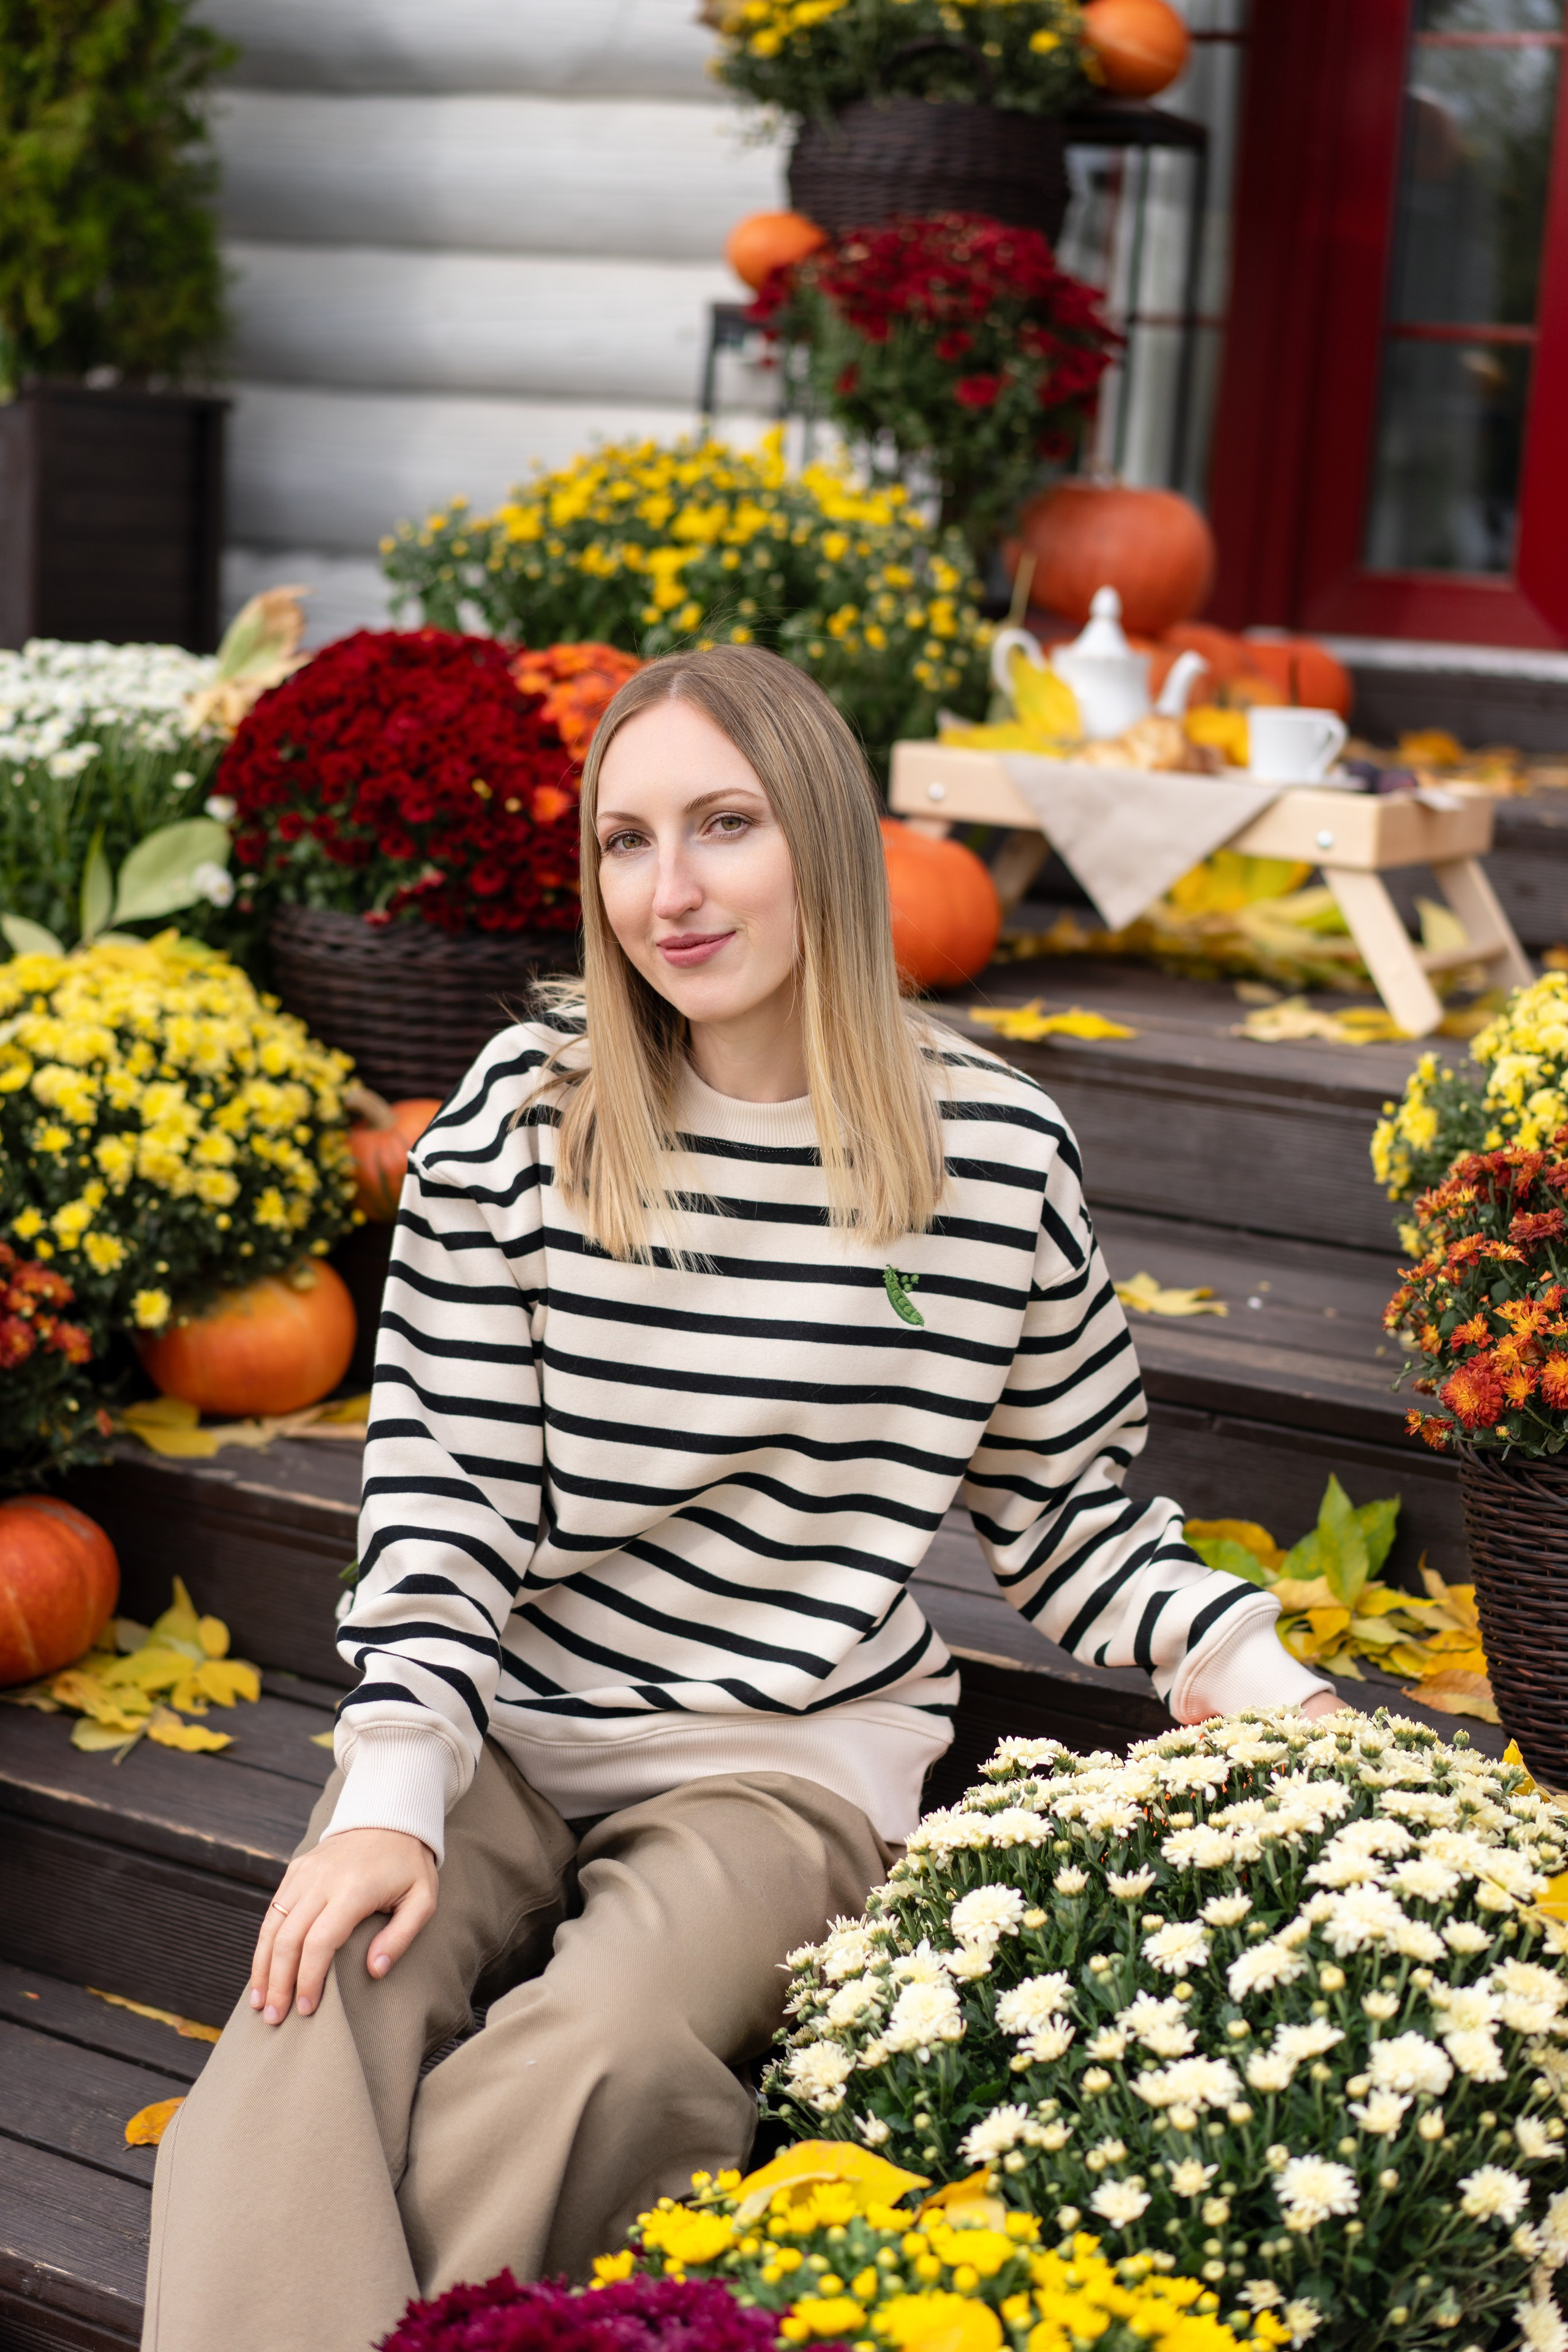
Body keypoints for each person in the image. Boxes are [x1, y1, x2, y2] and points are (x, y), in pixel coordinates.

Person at [141, 644, 1341, 2352]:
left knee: (596, 2057)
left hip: (783, 1754)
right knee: (310, 1999)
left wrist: (1248, 1671)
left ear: (833, 848)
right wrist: (394, 1783)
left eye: (724, 826)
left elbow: (1067, 1512)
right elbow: (444, 1481)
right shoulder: (522, 1113)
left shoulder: (991, 1159)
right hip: (499, 1713)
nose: (669, 893)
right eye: (624, 843)